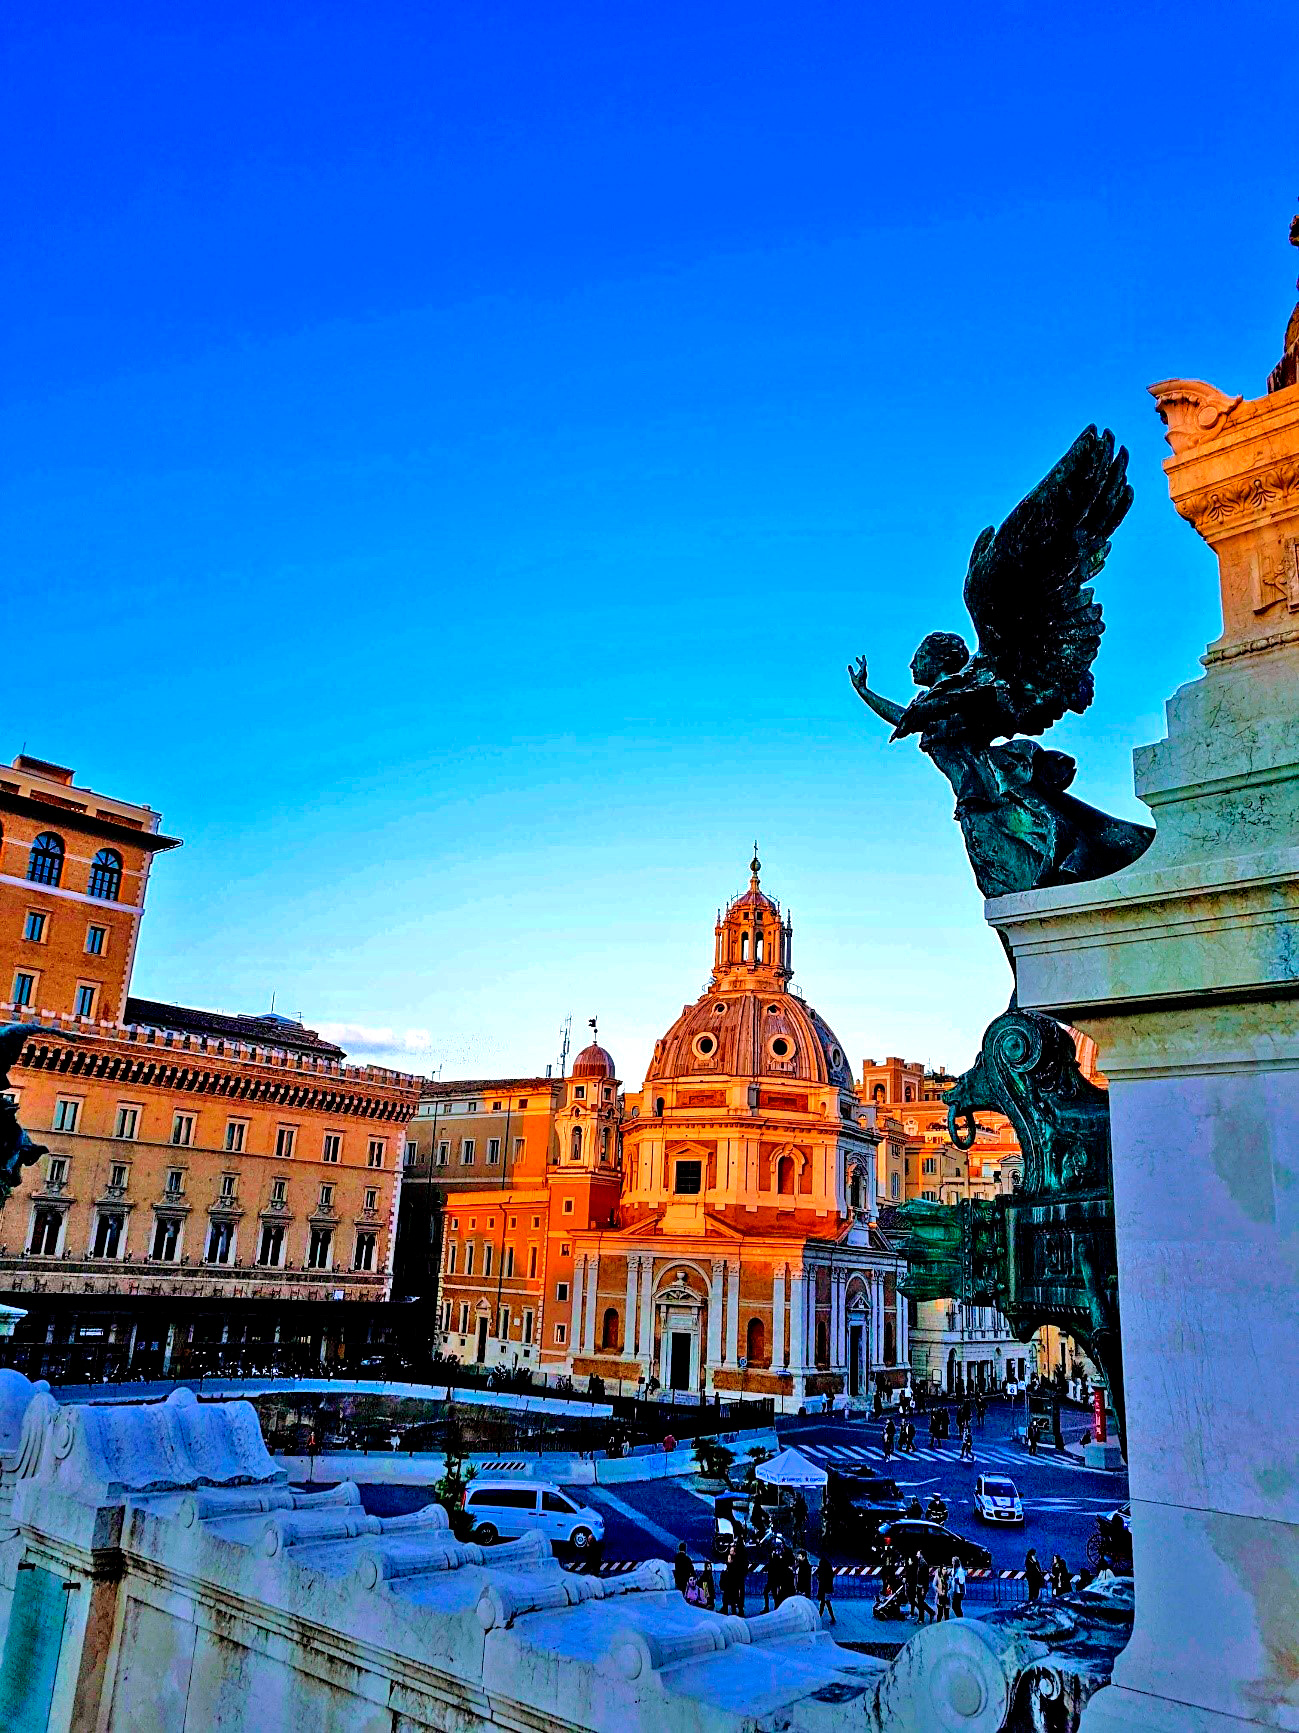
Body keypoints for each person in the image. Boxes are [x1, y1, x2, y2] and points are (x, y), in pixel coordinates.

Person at [816, 1554, 836, 1624]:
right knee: (827, 1603)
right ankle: (832, 1617)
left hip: (823, 1588)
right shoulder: (829, 1568)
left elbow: (819, 1575)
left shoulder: (822, 1568)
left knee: (823, 1603)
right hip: (828, 1588)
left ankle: (818, 1617)